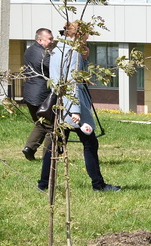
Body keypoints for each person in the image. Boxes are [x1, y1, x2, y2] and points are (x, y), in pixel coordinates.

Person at [37, 21, 119, 193]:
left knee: (55, 145)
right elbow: (73, 82)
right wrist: (75, 111)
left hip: (60, 104)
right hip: (73, 105)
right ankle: (98, 185)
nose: (86, 41)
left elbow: (61, 79)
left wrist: (84, 58)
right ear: (77, 35)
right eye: (85, 38)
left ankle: (44, 184)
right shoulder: (72, 52)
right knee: (90, 143)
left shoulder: (58, 50)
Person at [21, 27, 53, 161]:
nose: (52, 41)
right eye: (50, 39)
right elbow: (51, 67)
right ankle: (48, 156)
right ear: (40, 40)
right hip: (41, 94)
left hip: (30, 93)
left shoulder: (29, 50)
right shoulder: (43, 53)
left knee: (41, 124)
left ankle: (29, 148)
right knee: (52, 126)